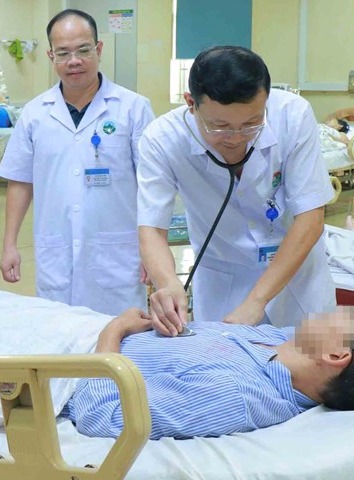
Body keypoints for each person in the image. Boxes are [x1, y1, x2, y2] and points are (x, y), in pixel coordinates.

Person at [138, 46, 335, 334]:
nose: (236, 138)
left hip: (297, 277)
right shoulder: (162, 139)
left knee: (314, 360)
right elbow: (152, 228)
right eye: (220, 126)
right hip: (223, 280)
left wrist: (258, 300)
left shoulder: (292, 115)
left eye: (252, 124)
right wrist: (168, 283)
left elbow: (311, 218)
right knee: (226, 359)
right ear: (191, 103)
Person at [64, 307, 354, 440]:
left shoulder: (233, 395)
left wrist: (113, 332)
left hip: (66, 360)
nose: (345, 308)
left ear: (335, 355)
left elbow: (104, 419)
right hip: (80, 325)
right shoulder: (282, 342)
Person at [0, 9, 155, 316]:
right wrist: (9, 244)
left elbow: (152, 186)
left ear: (99, 49)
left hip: (118, 254)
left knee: (121, 333)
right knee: (60, 333)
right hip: (57, 251)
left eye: (83, 50)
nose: (74, 61)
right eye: (63, 53)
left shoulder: (133, 108)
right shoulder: (34, 113)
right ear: (50, 56)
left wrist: (152, 251)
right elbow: (20, 181)